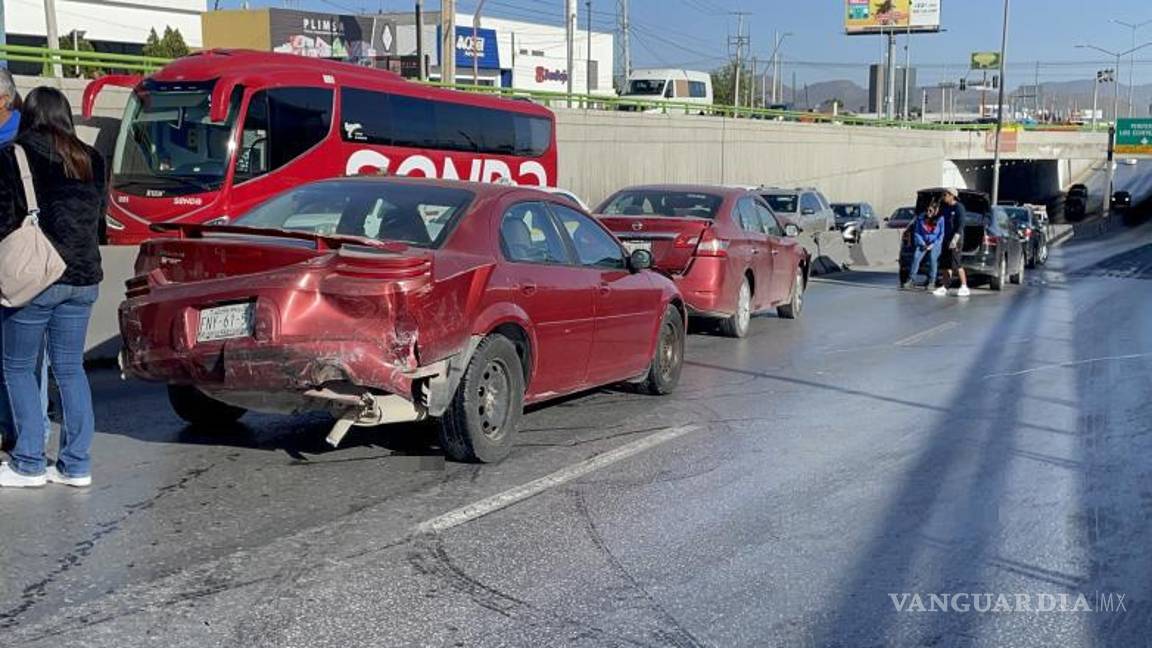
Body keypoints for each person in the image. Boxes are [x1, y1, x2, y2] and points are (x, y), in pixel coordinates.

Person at [0, 87, 105, 488]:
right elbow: (100, 216)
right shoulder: (91, 157)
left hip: (37, 278)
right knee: (70, 369)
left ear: (28, 114)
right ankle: (76, 464)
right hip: (84, 279)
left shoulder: (14, 154)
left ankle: (28, 461)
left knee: (19, 367)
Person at [0, 70, 52, 452]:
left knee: (27, 355)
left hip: (20, 259)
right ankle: (11, 427)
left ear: (4, 100)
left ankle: (32, 433)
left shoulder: (27, 141)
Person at [906, 200, 946, 295]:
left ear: (936, 211)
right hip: (923, 242)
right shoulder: (920, 218)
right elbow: (917, 233)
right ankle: (911, 279)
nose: (929, 212)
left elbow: (941, 234)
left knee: (933, 258)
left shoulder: (940, 219)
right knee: (916, 257)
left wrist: (933, 244)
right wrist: (922, 243)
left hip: (935, 243)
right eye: (928, 210)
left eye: (931, 211)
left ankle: (932, 281)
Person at [939, 187, 971, 297]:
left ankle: (964, 286)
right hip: (946, 238)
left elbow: (960, 225)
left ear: (952, 195)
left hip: (956, 239)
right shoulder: (945, 208)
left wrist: (954, 240)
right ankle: (945, 286)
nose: (944, 197)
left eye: (946, 195)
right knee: (945, 264)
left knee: (956, 263)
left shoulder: (959, 207)